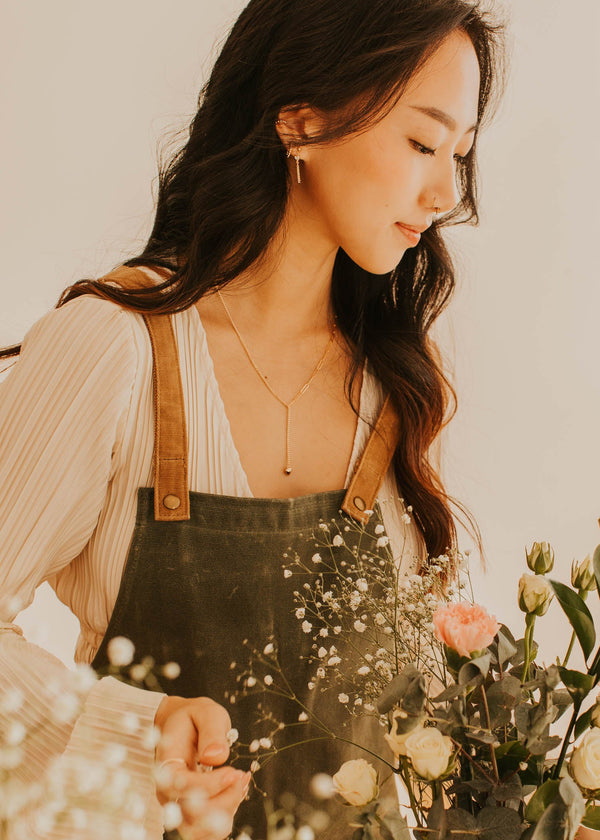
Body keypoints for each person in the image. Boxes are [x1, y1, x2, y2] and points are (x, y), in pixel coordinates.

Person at [0, 0, 503, 837]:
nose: (447, 191)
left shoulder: (393, 388)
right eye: (422, 142)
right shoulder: (117, 352)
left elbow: (424, 720)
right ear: (300, 118)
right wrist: (135, 741)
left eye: (460, 154)